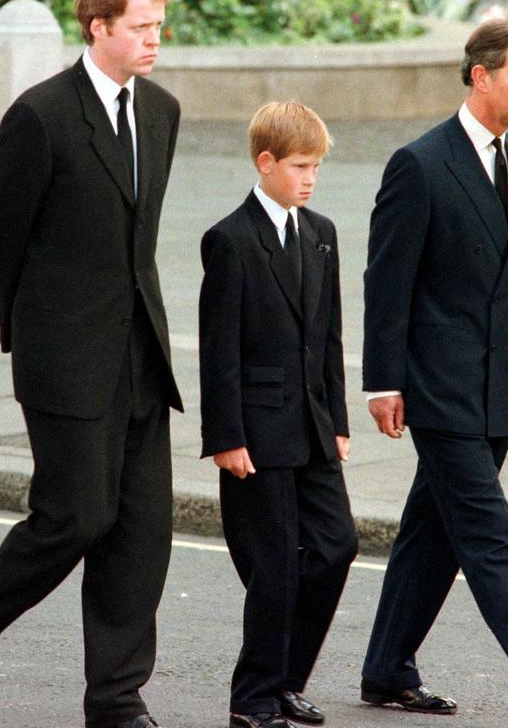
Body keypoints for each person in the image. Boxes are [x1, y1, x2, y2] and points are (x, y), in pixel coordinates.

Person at [0, 0, 180, 726]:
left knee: (142, 534)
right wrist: (34, 331)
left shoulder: (162, 112)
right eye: (141, 27)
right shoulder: (40, 115)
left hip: (141, 353)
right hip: (64, 359)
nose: (154, 41)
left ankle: (115, 698)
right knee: (73, 516)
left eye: (159, 28)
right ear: (98, 26)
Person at [361, 18, 508, 727]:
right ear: (480, 76)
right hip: (437, 386)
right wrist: (382, 382)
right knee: (486, 530)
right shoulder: (419, 163)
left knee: (431, 535)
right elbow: (389, 283)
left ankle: (386, 669)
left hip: (501, 381)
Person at [198, 102, 358, 728]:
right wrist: (225, 436)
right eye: (299, 166)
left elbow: (332, 337)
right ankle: (253, 699)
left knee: (336, 545)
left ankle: (286, 678)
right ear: (265, 163)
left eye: (316, 166)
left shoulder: (322, 232)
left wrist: (339, 421)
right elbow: (219, 349)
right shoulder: (231, 238)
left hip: (314, 425)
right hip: (256, 433)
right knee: (273, 567)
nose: (310, 178)